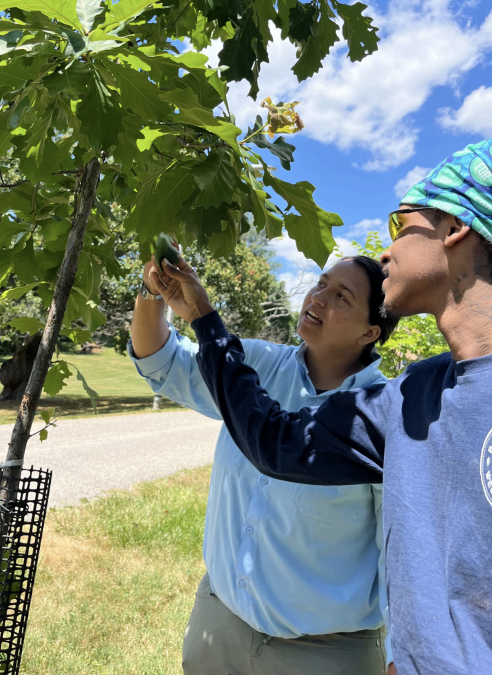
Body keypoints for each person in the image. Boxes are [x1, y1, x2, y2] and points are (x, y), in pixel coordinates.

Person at [149, 134, 492, 675]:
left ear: (456, 229)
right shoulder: (412, 397)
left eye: (401, 224)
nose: (387, 251)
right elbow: (277, 442)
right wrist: (201, 315)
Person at [130, 252, 399, 675]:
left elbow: (397, 549)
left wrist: (401, 652)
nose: (320, 297)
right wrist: (152, 291)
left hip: (326, 652)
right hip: (219, 625)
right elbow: (161, 362)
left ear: (370, 332)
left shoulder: (382, 416)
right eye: (322, 283)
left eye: (342, 296)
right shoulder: (254, 365)